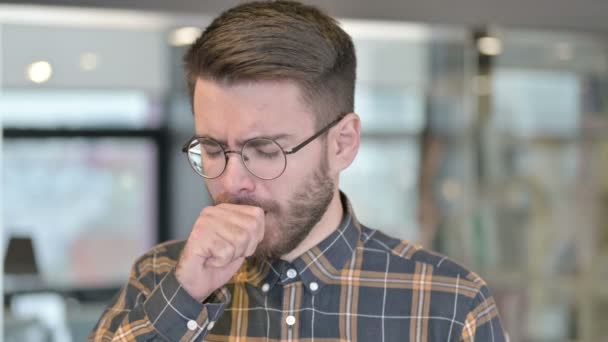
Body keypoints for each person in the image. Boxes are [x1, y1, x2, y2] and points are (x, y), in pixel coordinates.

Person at [89, 1, 506, 341]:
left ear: (342, 143)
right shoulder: (160, 278)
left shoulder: (450, 305)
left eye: (265, 150)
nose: (232, 182)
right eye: (213, 148)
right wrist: (183, 298)